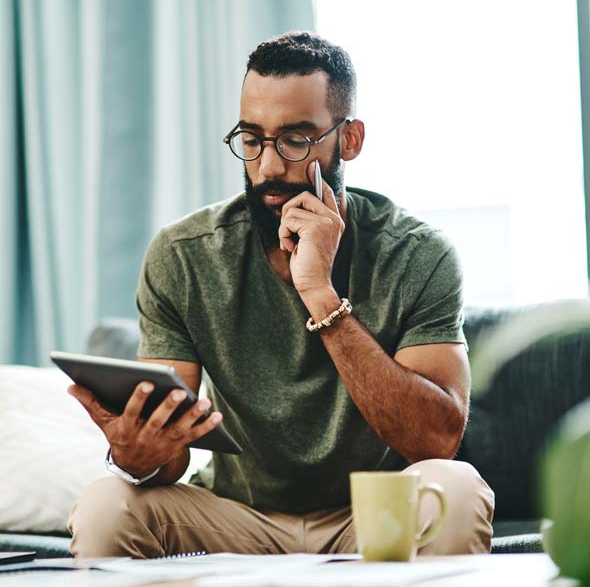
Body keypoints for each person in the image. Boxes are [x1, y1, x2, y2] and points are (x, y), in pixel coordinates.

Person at [68, 31, 494, 558]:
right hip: (235, 516)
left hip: (371, 515)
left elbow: (436, 444)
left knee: (455, 489)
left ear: (350, 139)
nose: (268, 166)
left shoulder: (417, 253)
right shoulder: (183, 254)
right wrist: (138, 453)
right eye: (251, 139)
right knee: (106, 504)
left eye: (295, 140)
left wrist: (319, 293)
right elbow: (170, 460)